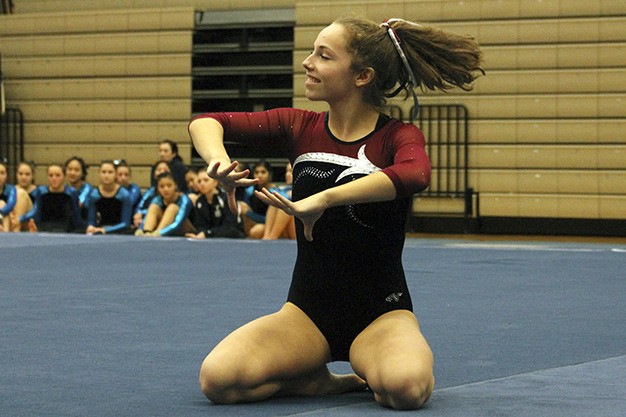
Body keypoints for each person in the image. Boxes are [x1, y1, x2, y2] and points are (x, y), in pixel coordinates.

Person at [189, 16, 483, 410]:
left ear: (362, 75)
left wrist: (325, 198)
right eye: (311, 52)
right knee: (219, 380)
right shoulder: (297, 126)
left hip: (380, 314)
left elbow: (415, 174)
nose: (308, 62)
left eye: (323, 56)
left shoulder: (397, 136)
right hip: (306, 314)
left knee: (405, 388)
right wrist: (218, 162)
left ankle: (375, 366)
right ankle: (317, 380)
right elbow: (206, 122)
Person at [185, 169, 245, 239]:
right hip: (211, 239)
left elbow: (231, 228)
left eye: (206, 180)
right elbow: (200, 226)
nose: (202, 184)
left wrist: (207, 234)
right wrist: (199, 234)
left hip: (234, 240)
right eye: (199, 181)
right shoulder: (200, 201)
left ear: (215, 182)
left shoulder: (227, 199)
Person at [135, 172, 193, 237]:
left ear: (175, 185)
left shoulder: (184, 200)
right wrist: (141, 229)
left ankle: (157, 234)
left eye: (169, 185)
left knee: (172, 207)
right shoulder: (157, 199)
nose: (166, 189)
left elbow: (178, 222)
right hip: (162, 230)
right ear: (158, 188)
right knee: (153, 207)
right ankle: (146, 232)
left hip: (183, 229)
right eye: (162, 186)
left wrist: (159, 233)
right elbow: (147, 217)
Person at [31, 164, 83, 233]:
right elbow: (37, 213)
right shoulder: (41, 192)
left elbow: (76, 217)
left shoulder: (71, 193)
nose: (54, 178)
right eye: (51, 175)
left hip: (65, 230)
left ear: (64, 177)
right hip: (44, 229)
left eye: (58, 175)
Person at [85, 160, 132, 235]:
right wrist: (91, 227)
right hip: (100, 230)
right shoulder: (94, 195)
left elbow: (126, 223)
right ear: (99, 174)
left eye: (110, 172)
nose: (106, 175)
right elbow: (91, 220)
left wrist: (106, 230)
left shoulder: (124, 194)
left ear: (116, 174)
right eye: (103, 172)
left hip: (120, 231)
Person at [240, 160, 276, 239]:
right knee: (242, 206)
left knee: (257, 230)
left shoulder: (276, 192)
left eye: (263, 172)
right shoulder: (249, 191)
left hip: (272, 226)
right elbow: (244, 212)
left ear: (270, 174)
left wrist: (249, 214)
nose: (259, 175)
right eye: (256, 172)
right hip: (254, 223)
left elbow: (272, 220)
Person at [132, 160, 171, 229]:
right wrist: (138, 215)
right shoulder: (150, 190)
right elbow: (140, 206)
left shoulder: (173, 191)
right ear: (153, 174)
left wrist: (143, 214)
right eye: (159, 170)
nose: (162, 172)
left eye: (165, 169)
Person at [262, 162, 295, 240]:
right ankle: (266, 237)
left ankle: (272, 238)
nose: (287, 174)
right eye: (287, 171)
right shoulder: (283, 190)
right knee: (256, 230)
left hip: (304, 228)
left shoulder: (306, 190)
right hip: (287, 227)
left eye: (291, 171)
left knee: (285, 207)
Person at [0, 160, 31, 232]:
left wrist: (19, 218)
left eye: (2, 173)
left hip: (20, 223)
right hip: (4, 223)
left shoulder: (11, 190)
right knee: (1, 203)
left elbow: (10, 205)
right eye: (21, 174)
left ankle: (12, 235)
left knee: (20, 193)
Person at [64, 156, 93, 228]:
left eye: (76, 170)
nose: (72, 173)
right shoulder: (64, 188)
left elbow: (78, 204)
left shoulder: (88, 189)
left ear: (83, 173)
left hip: (84, 227)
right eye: (69, 169)